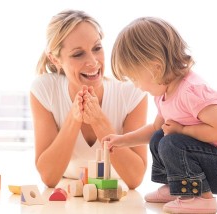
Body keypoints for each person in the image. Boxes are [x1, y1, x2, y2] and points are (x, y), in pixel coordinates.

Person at [102, 16, 217, 213]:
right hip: (206, 163)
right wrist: (122, 140)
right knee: (159, 136)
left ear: (156, 67)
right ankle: (177, 188)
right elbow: (155, 128)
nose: (136, 85)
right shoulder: (163, 94)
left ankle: (203, 199)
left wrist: (183, 130)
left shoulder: (191, 91)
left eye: (135, 78)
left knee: (170, 141)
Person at [30, 9, 148, 189]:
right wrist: (74, 118)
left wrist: (99, 121)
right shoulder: (45, 90)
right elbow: (49, 177)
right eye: (78, 54)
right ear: (55, 59)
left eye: (97, 48)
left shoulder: (131, 91)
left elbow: (134, 178)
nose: (93, 62)